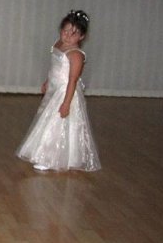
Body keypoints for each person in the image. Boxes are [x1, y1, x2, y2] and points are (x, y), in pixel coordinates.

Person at [16, 10, 101, 172]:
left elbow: (72, 80)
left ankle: (49, 158)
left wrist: (66, 103)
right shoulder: (58, 45)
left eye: (73, 33)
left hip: (65, 92)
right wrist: (48, 81)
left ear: (82, 36)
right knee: (46, 120)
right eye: (65, 31)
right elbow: (55, 66)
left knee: (56, 124)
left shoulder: (76, 55)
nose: (67, 36)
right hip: (54, 89)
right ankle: (42, 152)